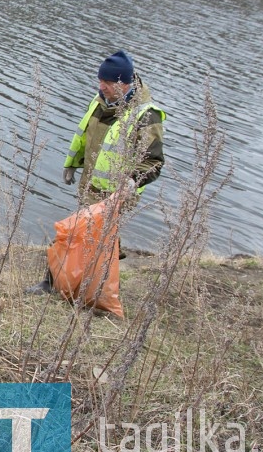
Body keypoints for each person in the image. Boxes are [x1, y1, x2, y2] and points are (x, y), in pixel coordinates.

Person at [26, 50, 165, 295]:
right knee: (101, 239)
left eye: (108, 83)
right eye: (100, 81)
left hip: (117, 193)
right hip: (90, 184)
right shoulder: (101, 101)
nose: (101, 87)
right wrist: (72, 164)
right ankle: (98, 290)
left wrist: (131, 183)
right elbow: (86, 135)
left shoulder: (146, 115)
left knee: (71, 233)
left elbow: (154, 162)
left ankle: (52, 284)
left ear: (124, 84)